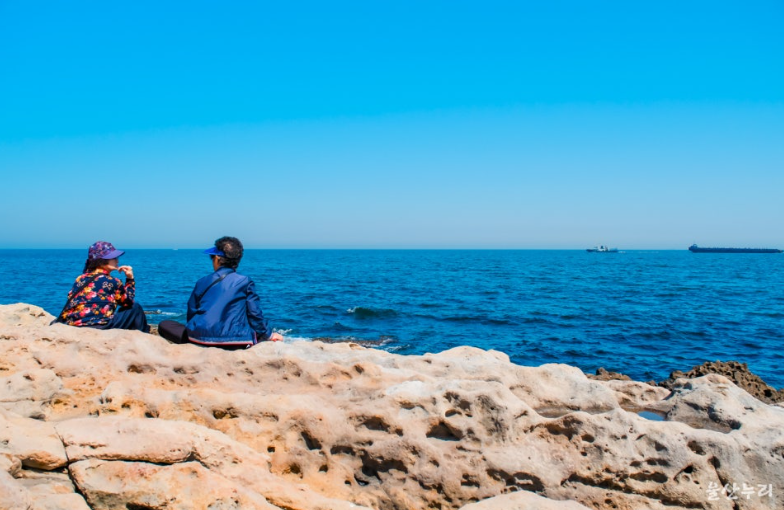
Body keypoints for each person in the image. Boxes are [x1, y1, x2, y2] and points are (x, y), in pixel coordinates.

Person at [158, 236, 283, 348]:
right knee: (255, 330)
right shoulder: (245, 281)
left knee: (165, 324)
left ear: (217, 259)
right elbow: (255, 314)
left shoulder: (202, 282)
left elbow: (191, 312)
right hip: (235, 342)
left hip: (200, 340)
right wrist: (269, 335)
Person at [54, 241, 150, 332]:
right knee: (135, 307)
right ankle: (143, 337)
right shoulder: (112, 281)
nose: (117, 260)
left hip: (74, 325)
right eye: (113, 258)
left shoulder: (80, 278)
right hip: (101, 327)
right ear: (101, 261)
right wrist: (130, 279)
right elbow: (128, 302)